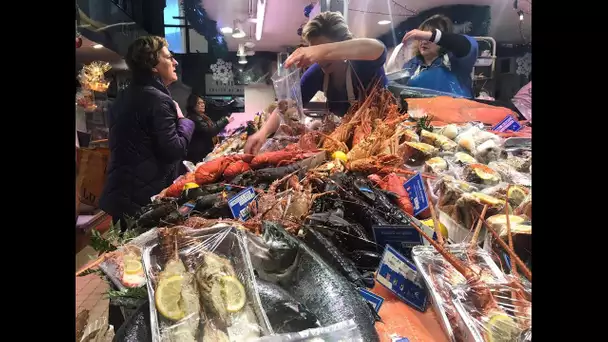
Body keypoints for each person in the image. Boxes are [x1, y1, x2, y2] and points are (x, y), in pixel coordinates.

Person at [245, 11, 387, 154]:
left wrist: (320, 51)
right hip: (350, 144)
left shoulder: (363, 62)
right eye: (317, 54)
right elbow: (289, 103)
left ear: (344, 43)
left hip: (382, 140)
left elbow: (379, 49)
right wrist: (262, 133)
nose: (320, 60)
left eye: (324, 52)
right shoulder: (318, 72)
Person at [100, 36, 195, 231]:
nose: (175, 62)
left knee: (126, 253)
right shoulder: (158, 100)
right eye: (169, 58)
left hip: (122, 193)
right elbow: (174, 150)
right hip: (144, 200)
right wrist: (185, 122)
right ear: (153, 66)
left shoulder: (123, 97)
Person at [401, 14, 478, 98]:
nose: (424, 41)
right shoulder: (410, 66)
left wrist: (433, 36)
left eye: (428, 38)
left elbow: (468, 45)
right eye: (421, 37)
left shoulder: (457, 62)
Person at [182, 93, 233, 168]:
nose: (202, 105)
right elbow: (210, 131)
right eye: (199, 103)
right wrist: (224, 120)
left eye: (203, 102)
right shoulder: (194, 118)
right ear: (193, 105)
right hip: (198, 154)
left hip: (203, 151)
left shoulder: (202, 116)